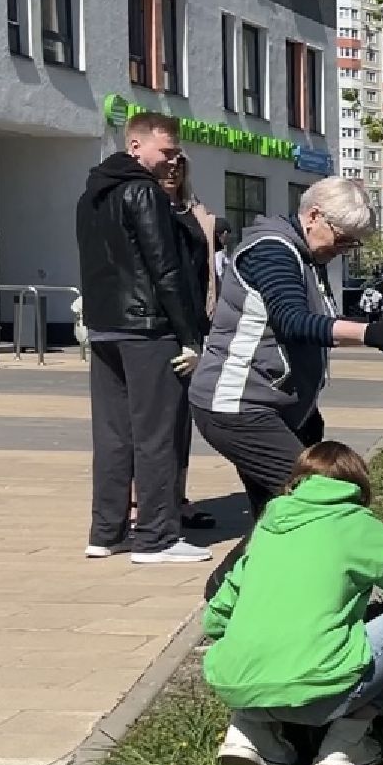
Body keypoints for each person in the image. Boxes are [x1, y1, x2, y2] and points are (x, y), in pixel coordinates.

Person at [188, 177, 383, 600]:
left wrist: (307, 414)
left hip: (270, 407)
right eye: (343, 239)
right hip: (236, 405)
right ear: (314, 216)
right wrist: (372, 334)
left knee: (275, 514)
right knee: (316, 499)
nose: (343, 251)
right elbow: (293, 321)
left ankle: (244, 604)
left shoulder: (303, 256)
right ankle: (223, 594)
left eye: (352, 245)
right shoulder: (272, 251)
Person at [204, 441, 383, 765]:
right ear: (358, 487)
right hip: (323, 694)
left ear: (296, 482)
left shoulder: (267, 529)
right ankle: (346, 743)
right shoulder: (357, 525)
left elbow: (215, 618)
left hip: (239, 688)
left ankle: (250, 731)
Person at [76, 112, 211, 564]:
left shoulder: (92, 194)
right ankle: (156, 537)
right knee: (158, 434)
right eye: (166, 151)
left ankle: (106, 531)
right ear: (136, 146)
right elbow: (165, 269)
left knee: (113, 434)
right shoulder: (142, 192)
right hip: (149, 328)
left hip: (106, 328)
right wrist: (191, 336)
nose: (173, 160)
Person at [161, 153, 225, 532]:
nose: (173, 174)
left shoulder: (191, 211)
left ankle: (176, 497)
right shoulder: (147, 209)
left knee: (179, 421)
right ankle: (146, 501)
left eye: (180, 168)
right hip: (162, 326)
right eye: (168, 167)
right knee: (156, 424)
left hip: (195, 320)